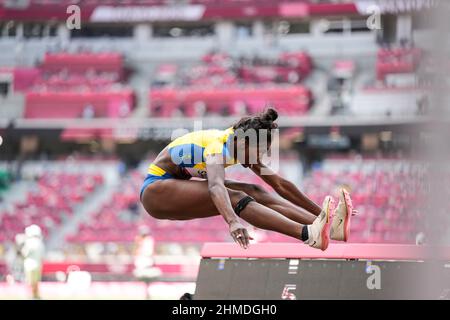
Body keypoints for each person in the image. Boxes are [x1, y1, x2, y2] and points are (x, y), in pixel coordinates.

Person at [140, 108, 354, 251]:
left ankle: (326, 227)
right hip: (156, 193)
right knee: (236, 197)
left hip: (179, 186)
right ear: (243, 144)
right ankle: (308, 234)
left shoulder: (240, 144)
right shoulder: (217, 148)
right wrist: (233, 222)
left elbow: (280, 185)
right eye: (260, 151)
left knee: (256, 190)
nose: (260, 157)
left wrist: (324, 214)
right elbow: (216, 187)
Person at [21, 225, 45, 299]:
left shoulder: (29, 242)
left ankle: (31, 296)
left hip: (29, 265)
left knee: (30, 282)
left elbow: (24, 254)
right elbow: (42, 256)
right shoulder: (40, 243)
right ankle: (36, 296)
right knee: (36, 282)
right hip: (38, 265)